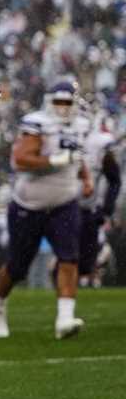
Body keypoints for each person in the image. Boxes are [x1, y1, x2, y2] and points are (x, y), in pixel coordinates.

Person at [0, 79, 93, 340]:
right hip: (29, 205)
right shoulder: (37, 123)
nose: (63, 108)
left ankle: (65, 319)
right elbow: (21, 160)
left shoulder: (81, 125)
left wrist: (86, 177)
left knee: (69, 257)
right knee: (18, 266)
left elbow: (77, 157)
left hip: (64, 202)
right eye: (59, 102)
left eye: (68, 102)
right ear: (49, 102)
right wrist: (55, 160)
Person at [77, 114, 119, 287]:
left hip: (89, 207)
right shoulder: (54, 134)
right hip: (64, 203)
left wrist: (107, 209)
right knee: (67, 252)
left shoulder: (100, 143)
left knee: (87, 257)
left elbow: (114, 179)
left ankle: (88, 278)